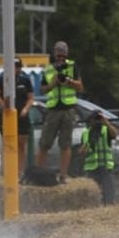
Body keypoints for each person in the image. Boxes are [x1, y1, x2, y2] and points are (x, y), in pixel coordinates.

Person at [36, 41, 85, 181]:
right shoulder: (48, 69)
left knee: (66, 144)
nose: (60, 58)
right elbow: (43, 89)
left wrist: (68, 81)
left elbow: (80, 87)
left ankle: (63, 175)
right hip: (52, 110)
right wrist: (54, 82)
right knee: (44, 143)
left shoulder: (72, 66)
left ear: (66, 54)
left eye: (62, 55)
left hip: (68, 110)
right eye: (58, 55)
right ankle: (39, 174)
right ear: (54, 54)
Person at [0, 59, 35, 173]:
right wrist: (4, 106)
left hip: (22, 115)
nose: (17, 69)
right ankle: (8, 171)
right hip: (7, 115)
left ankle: (19, 171)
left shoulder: (25, 80)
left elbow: (31, 98)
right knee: (9, 144)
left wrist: (26, 109)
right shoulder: (3, 79)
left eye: (19, 66)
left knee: (21, 144)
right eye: (15, 66)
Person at [80, 108, 117, 206]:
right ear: (91, 120)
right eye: (95, 118)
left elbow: (115, 134)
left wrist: (106, 122)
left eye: (99, 118)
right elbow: (82, 151)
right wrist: (83, 149)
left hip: (105, 166)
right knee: (92, 193)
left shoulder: (106, 130)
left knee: (109, 190)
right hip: (92, 167)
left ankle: (109, 205)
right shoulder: (86, 132)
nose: (97, 120)